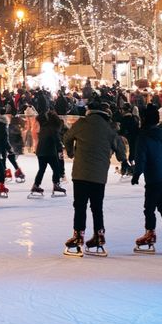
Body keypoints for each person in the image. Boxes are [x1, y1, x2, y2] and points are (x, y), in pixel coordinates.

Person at [63, 98, 126, 256]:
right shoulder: (109, 129)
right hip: (99, 176)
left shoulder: (82, 124)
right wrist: (121, 158)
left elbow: (66, 137)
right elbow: (120, 150)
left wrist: (71, 152)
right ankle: (99, 235)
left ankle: (78, 236)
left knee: (80, 206)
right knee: (97, 207)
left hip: (81, 173)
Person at [131, 104, 162, 252]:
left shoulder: (144, 137)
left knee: (149, 208)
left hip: (153, 178)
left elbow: (141, 158)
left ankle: (150, 233)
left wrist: (136, 174)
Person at [29, 111, 66, 198]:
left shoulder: (44, 126)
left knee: (41, 169)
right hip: (49, 152)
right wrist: (60, 149)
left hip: (40, 152)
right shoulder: (53, 129)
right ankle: (56, 185)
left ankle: (36, 185)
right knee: (56, 168)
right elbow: (57, 141)